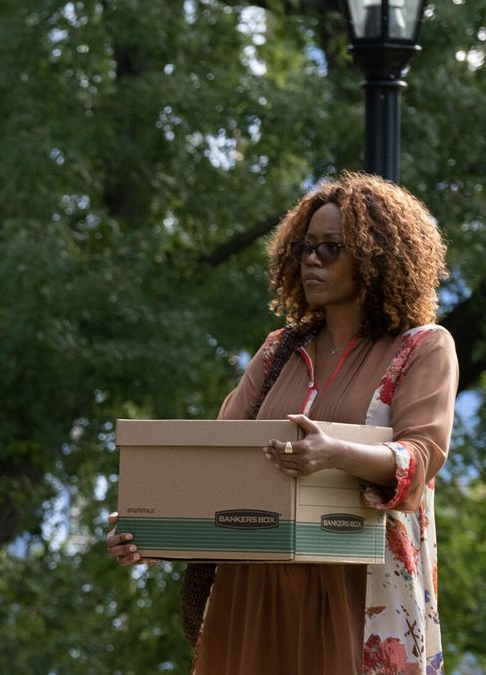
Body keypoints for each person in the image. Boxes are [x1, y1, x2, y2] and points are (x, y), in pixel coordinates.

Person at [107, 171, 457, 674]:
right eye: (304, 247)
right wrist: (153, 529)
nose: (312, 259)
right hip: (253, 589)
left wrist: (335, 453)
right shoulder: (279, 351)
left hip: (356, 590)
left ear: (376, 256)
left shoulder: (423, 347)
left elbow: (418, 461)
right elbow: (222, 466)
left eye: (332, 248)